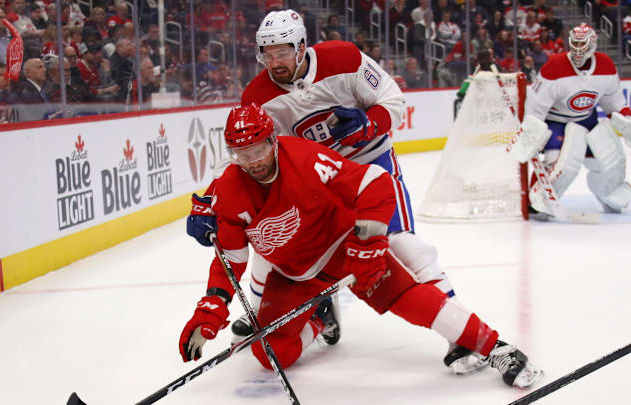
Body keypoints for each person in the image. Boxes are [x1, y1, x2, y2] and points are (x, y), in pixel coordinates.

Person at [185, 8, 486, 375]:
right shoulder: (257, 96)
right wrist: (212, 199)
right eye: (267, 53)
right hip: (314, 181)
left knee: (404, 246)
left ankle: (459, 334)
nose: (274, 61)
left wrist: (366, 125)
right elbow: (245, 152)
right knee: (269, 245)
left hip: (370, 165)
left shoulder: (344, 59)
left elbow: (392, 101)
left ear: (301, 46)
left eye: (282, 52)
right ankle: (281, 317)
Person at [178, 103, 544, 390]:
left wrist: (368, 242)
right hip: (293, 275)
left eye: (258, 148)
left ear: (272, 140)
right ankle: (320, 322)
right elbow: (230, 260)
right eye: (241, 154)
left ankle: (496, 348)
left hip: (342, 249)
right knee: (268, 352)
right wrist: (210, 311)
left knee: (410, 299)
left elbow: (374, 182)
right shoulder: (228, 191)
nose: (252, 161)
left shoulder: (305, 159)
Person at [508, 24, 631, 217]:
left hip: (587, 120)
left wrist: (625, 120)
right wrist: (532, 132)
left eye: (583, 43)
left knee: (609, 159)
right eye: (575, 42)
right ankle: (539, 198)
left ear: (592, 44)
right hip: (556, 122)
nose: (578, 48)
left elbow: (613, 101)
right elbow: (536, 106)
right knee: (560, 162)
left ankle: (610, 193)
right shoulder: (554, 67)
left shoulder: (605, 65)